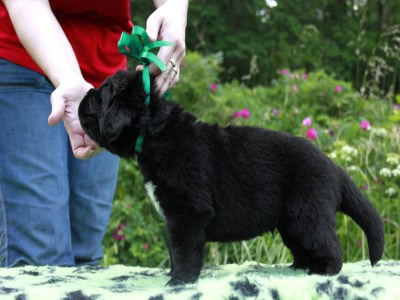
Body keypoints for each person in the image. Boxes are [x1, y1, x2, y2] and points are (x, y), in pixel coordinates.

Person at [0, 0, 188, 267]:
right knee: (40, 257)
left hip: (104, 73)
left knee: (86, 253)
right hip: (23, 60)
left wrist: (175, 12)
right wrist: (68, 78)